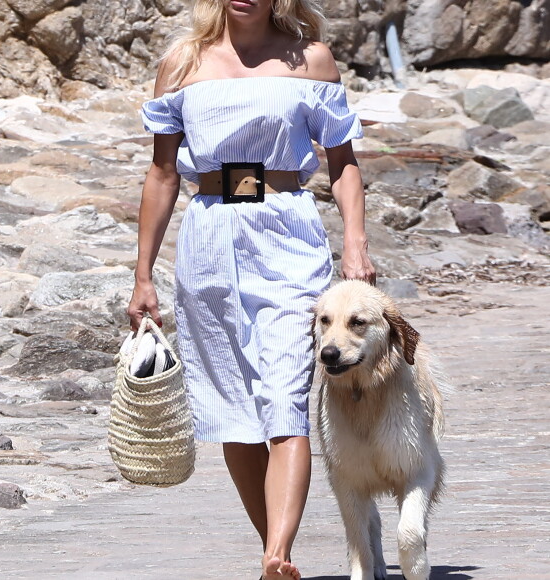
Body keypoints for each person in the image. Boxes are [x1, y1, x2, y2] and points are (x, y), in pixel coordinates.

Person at [127, 1, 375, 578]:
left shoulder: (311, 59)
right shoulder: (181, 64)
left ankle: (277, 554)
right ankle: (275, 555)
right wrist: (143, 275)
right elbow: (163, 173)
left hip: (288, 231)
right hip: (210, 234)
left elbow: (342, 161)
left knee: (286, 399)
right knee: (232, 411)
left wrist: (355, 242)